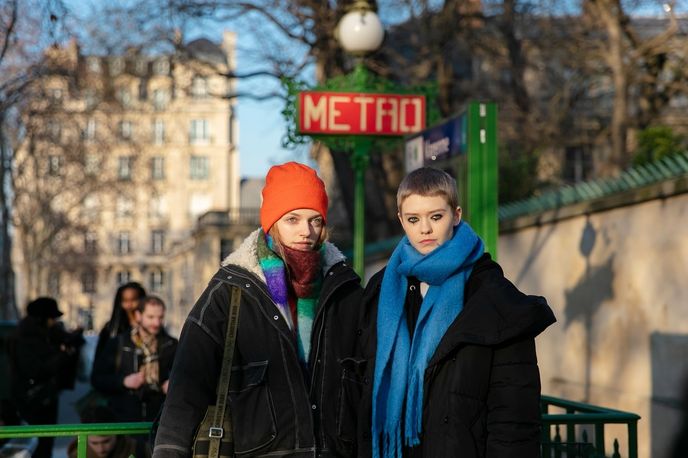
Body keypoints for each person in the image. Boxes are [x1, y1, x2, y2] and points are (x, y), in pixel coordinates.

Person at [152, 162, 363, 457]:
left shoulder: (344, 287)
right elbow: (187, 386)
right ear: (272, 222)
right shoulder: (231, 290)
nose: (306, 231)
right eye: (293, 219)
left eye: (315, 220)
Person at [354, 167, 556, 457]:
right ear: (401, 221)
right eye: (413, 219)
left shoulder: (491, 294)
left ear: (456, 215)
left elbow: (513, 412)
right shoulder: (381, 289)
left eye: (436, 216)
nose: (425, 229)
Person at [9, 297, 84, 458]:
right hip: (32, 399)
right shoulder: (26, 337)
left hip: (46, 396)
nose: (54, 321)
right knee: (37, 444)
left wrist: (73, 340)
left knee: (45, 442)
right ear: (42, 318)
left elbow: (66, 339)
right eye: (51, 318)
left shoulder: (46, 332)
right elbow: (37, 369)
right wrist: (63, 354)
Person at [91, 295, 178, 422]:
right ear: (138, 315)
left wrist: (174, 385)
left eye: (160, 317)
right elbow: (97, 379)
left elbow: (187, 378)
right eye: (151, 317)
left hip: (161, 420)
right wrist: (124, 381)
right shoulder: (118, 343)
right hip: (123, 421)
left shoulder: (171, 345)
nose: (156, 323)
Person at [67, 406, 152, 458]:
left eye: (106, 441)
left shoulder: (140, 450)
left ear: (116, 434)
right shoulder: (76, 455)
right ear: (85, 439)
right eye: (94, 443)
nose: (101, 449)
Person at [95, 282, 146, 359]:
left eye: (134, 300)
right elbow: (101, 358)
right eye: (125, 300)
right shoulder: (111, 329)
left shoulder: (150, 327)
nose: (129, 305)